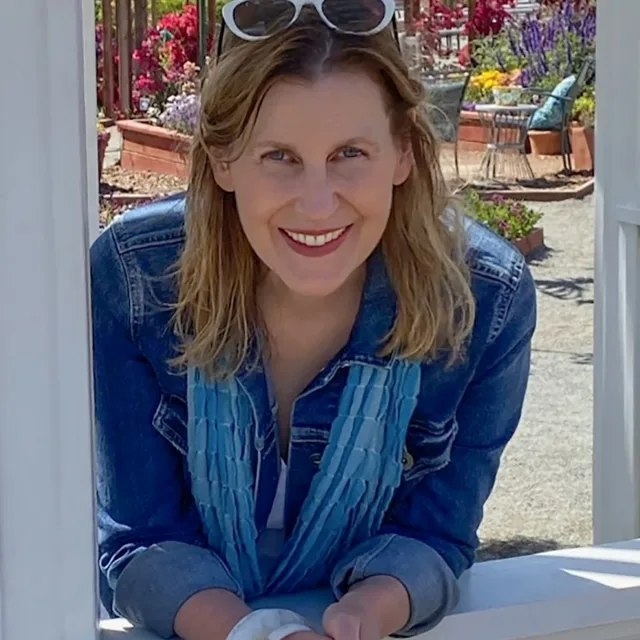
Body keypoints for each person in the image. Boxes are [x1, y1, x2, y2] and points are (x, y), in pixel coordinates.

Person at [91, 1, 536, 639]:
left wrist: (362, 616)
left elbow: (437, 531)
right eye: (279, 157)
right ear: (223, 161)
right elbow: (139, 538)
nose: (318, 203)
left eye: (350, 152)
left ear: (404, 153)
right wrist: (259, 632)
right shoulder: (135, 276)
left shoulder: (485, 301)